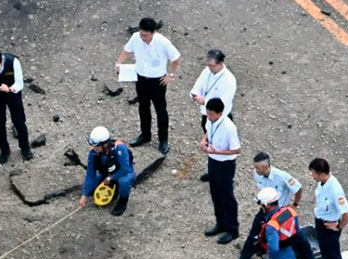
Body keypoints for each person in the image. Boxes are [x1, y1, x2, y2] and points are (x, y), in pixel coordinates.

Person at [231, 152, 317, 259]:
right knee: (254, 235)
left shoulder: (281, 176)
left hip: (282, 212)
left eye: (257, 167)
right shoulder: (257, 175)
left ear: (266, 167)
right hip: (266, 209)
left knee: (296, 237)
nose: (255, 170)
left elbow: (298, 189)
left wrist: (294, 205)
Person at [115, 17, 181, 155]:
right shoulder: (135, 38)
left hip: (157, 81)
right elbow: (126, 50)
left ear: (153, 32)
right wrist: (118, 63)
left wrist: (171, 75)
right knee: (143, 108)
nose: (142, 37)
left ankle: (163, 140)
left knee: (160, 110)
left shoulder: (162, 42)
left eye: (145, 35)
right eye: (141, 33)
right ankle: (145, 135)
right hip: (141, 79)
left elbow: (175, 58)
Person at [309, 158, 348, 259]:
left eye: (313, 173)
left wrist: (338, 226)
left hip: (330, 226)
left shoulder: (335, 189)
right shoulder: (323, 183)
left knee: (334, 258)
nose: (312, 176)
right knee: (327, 256)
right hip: (321, 222)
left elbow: (347, 214)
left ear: (322, 174)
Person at [190, 50, 236, 182]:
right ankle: (212, 171)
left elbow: (224, 104)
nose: (209, 68)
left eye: (212, 66)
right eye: (208, 65)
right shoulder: (207, 71)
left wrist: (204, 101)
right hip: (208, 115)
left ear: (221, 63)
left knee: (223, 147)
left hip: (221, 117)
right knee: (210, 145)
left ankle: (226, 175)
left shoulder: (229, 80)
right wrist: (195, 95)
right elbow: (198, 85)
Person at [201, 98, 241, 244]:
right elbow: (207, 130)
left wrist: (218, 151)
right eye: (208, 113)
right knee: (215, 192)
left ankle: (232, 229)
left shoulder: (229, 128)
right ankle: (221, 222)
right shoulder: (210, 120)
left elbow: (236, 149)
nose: (208, 116)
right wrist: (204, 140)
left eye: (211, 113)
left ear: (219, 113)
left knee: (226, 195)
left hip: (225, 164)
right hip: (212, 160)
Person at [78, 126, 136, 217]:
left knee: (123, 181)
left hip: (123, 173)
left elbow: (125, 169)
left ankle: (122, 202)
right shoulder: (93, 154)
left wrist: (111, 178)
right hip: (106, 174)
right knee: (92, 185)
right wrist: (84, 195)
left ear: (105, 144)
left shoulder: (120, 148)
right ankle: (113, 188)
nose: (94, 148)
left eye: (96, 145)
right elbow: (90, 174)